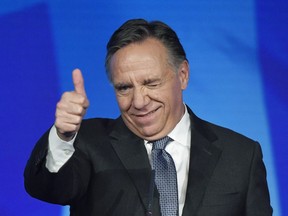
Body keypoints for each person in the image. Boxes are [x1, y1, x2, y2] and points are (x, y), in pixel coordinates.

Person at [24, 19, 273, 216]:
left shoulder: (241, 155)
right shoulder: (89, 142)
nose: (139, 101)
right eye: (124, 88)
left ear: (183, 75)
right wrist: (63, 136)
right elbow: (49, 188)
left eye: (151, 83)